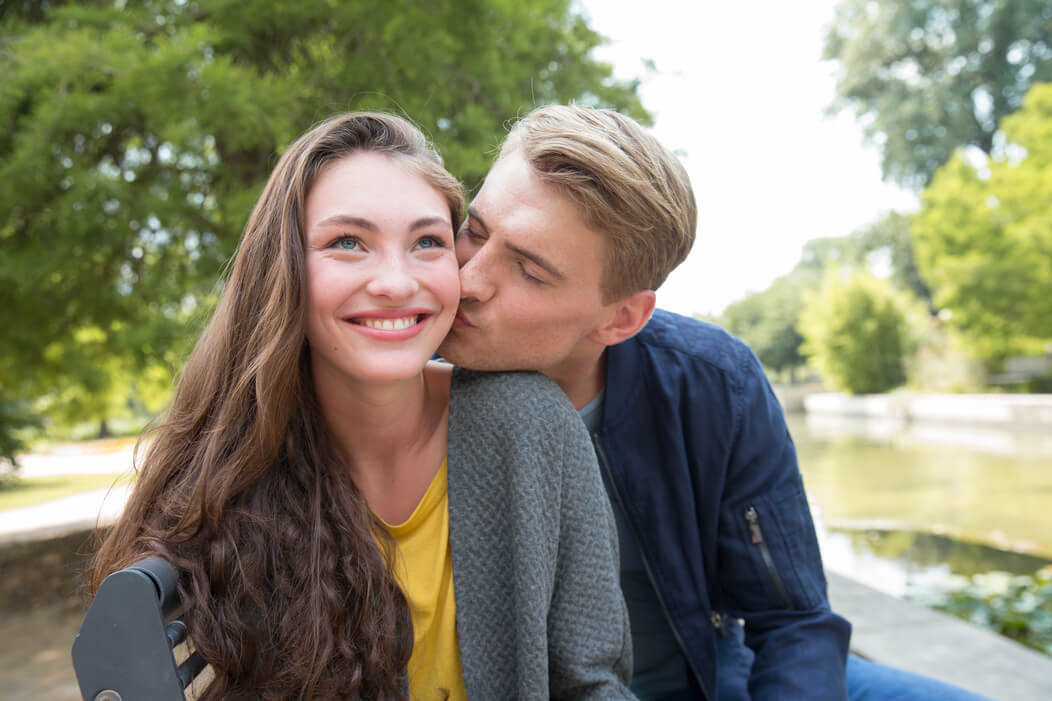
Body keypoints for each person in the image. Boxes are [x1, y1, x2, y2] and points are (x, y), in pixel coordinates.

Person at [438, 104, 990, 701]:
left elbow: (793, 619)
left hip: (716, 677)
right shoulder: (393, 377)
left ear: (622, 318)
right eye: (475, 229)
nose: (468, 280)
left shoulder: (715, 385)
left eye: (529, 270)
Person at [90, 112, 633, 700]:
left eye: (428, 242)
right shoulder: (227, 479)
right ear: (286, 269)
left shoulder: (532, 424)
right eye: (348, 243)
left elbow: (592, 681)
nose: (396, 283)